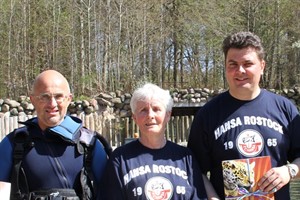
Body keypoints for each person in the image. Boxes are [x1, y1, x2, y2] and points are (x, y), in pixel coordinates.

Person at [187, 31, 300, 200]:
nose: (240, 71)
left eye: (248, 63)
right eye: (233, 64)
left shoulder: (285, 109)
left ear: (262, 66)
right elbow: (195, 170)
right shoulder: (207, 114)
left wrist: (288, 171)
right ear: (225, 67)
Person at [0, 70, 108, 199]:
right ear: (32, 100)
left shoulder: (90, 144)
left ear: (69, 99)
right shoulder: (13, 144)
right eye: (44, 96)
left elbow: (108, 191)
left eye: (58, 96)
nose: (52, 104)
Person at [99, 83, 208, 199]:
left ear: (167, 115)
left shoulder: (185, 158)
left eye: (156, 109)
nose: (150, 115)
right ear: (135, 117)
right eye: (143, 110)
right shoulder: (120, 159)